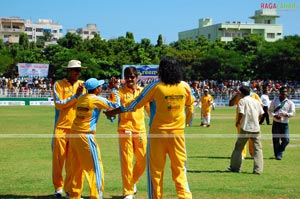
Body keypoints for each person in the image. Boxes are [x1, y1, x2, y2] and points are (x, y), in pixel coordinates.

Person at [105, 56, 194, 199]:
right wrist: (187, 121)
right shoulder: (184, 86)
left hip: (157, 135)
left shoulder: (155, 86)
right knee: (179, 169)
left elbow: (133, 105)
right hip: (178, 135)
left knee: (156, 171)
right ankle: (185, 197)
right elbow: (190, 105)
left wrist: (112, 112)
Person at [68, 78, 120, 199]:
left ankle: (75, 195)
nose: (101, 88)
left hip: (74, 135)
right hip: (86, 136)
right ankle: (96, 195)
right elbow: (116, 105)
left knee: (76, 167)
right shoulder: (96, 99)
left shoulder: (81, 98)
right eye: (100, 86)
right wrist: (114, 90)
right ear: (96, 89)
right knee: (95, 167)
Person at [109, 67, 150, 199]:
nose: (130, 79)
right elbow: (113, 108)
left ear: (136, 77)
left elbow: (149, 111)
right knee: (127, 162)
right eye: (127, 77)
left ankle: (132, 182)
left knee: (143, 161)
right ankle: (128, 192)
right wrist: (113, 90)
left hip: (140, 130)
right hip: (125, 130)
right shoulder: (119, 92)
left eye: (132, 76)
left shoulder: (142, 92)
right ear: (124, 78)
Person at [52, 60, 86, 197]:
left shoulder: (83, 85)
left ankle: (69, 189)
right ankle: (58, 188)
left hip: (76, 129)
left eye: (79, 70)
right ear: (68, 71)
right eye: (75, 70)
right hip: (61, 128)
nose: (78, 72)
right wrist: (75, 96)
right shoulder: (58, 84)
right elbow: (59, 104)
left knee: (73, 162)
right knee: (58, 160)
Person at [228, 86, 264, 174]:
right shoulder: (256, 101)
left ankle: (235, 167)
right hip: (256, 128)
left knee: (238, 148)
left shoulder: (242, 101)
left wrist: (238, 121)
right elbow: (261, 113)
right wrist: (257, 120)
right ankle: (258, 170)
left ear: (242, 93)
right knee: (258, 149)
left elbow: (240, 113)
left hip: (245, 127)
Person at [269, 86, 296, 160]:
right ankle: (277, 155)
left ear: (287, 93)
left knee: (286, 140)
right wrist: (275, 116)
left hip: (285, 124)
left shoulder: (290, 103)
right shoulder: (274, 101)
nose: (284, 93)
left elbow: (293, 113)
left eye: (285, 92)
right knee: (276, 140)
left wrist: (286, 114)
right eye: (283, 91)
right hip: (276, 123)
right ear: (279, 92)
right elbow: (270, 111)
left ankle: (279, 152)